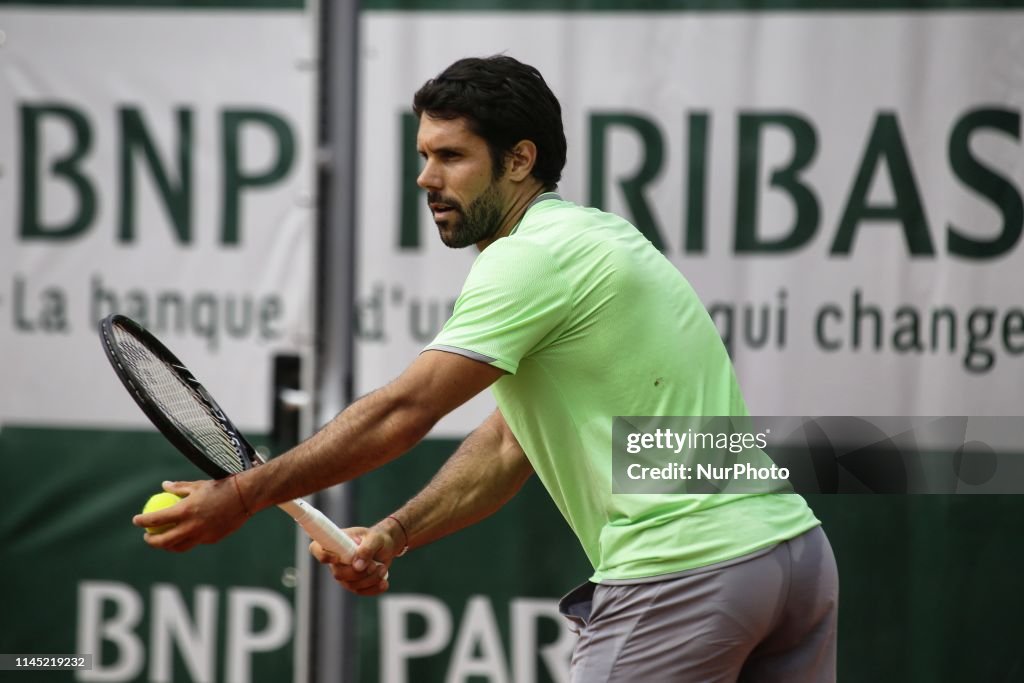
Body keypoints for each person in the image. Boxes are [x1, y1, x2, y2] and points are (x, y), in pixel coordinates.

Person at [134, 55, 838, 682]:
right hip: (791, 561)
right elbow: (509, 442)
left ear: (520, 159)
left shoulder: (525, 258)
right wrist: (395, 532)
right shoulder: (595, 235)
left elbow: (405, 410)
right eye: (423, 154)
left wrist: (245, 495)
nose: (426, 178)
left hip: (686, 570)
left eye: (452, 156)